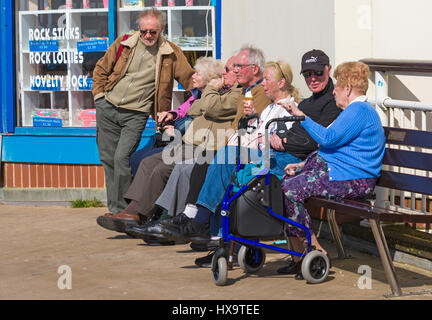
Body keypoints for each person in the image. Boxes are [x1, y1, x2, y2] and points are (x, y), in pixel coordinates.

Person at [161, 50, 342, 264]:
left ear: (328, 70)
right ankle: (210, 229)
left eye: (317, 73)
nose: (312, 78)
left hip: (295, 160)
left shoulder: (332, 103)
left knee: (229, 165)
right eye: (308, 74)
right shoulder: (307, 103)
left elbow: (315, 140)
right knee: (226, 160)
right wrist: (268, 130)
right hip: (277, 153)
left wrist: (283, 141)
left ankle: (206, 225)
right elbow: (291, 133)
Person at [96, 57, 241, 233]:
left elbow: (210, 109)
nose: (224, 73)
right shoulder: (211, 92)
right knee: (147, 162)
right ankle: (133, 212)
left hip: (204, 146)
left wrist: (210, 91)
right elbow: (194, 109)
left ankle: (145, 216)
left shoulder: (234, 94)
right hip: (188, 142)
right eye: (225, 69)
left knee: (162, 168)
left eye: (229, 69)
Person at [278, 61, 385, 280]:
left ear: (347, 88)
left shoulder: (360, 110)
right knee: (282, 183)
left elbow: (327, 138)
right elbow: (329, 148)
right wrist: (301, 165)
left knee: (290, 189)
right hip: (342, 174)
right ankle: (300, 255)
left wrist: (300, 114)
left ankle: (312, 250)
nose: (334, 90)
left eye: (337, 86)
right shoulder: (353, 111)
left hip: (354, 179)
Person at [92, 8, 194, 215]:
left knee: (122, 158)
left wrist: (210, 91)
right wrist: (99, 97)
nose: (148, 35)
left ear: (161, 30)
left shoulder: (170, 52)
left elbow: (190, 79)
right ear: (139, 29)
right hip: (108, 106)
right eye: (144, 31)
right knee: (109, 159)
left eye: (153, 32)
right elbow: (101, 69)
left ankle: (127, 211)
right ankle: (115, 210)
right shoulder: (124, 42)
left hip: (136, 113)